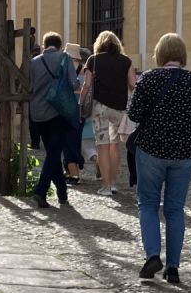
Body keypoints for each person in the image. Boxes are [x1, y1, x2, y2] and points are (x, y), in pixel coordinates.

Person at [127, 34, 191, 285]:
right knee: (175, 209)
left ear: (160, 54)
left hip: (152, 150)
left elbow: (134, 114)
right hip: (184, 153)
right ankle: (173, 268)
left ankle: (153, 254)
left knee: (148, 204)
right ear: (182, 56)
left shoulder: (149, 78)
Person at [28, 32, 79, 208]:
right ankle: (40, 191)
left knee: (52, 152)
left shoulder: (33, 62)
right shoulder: (64, 58)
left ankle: (62, 192)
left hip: (37, 112)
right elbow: (74, 83)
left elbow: (29, 86)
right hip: (57, 112)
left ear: (44, 45)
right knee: (53, 153)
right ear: (59, 45)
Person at [82, 31, 136, 196]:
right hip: (119, 108)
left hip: (100, 108)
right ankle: (113, 183)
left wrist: (81, 102)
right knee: (115, 146)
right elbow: (133, 84)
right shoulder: (126, 61)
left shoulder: (94, 60)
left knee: (102, 146)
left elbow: (86, 84)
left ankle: (105, 186)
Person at [63, 43, 88, 184]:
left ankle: (74, 173)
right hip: (81, 109)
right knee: (75, 139)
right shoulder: (85, 68)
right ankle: (71, 169)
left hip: (67, 108)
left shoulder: (67, 67)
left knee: (67, 142)